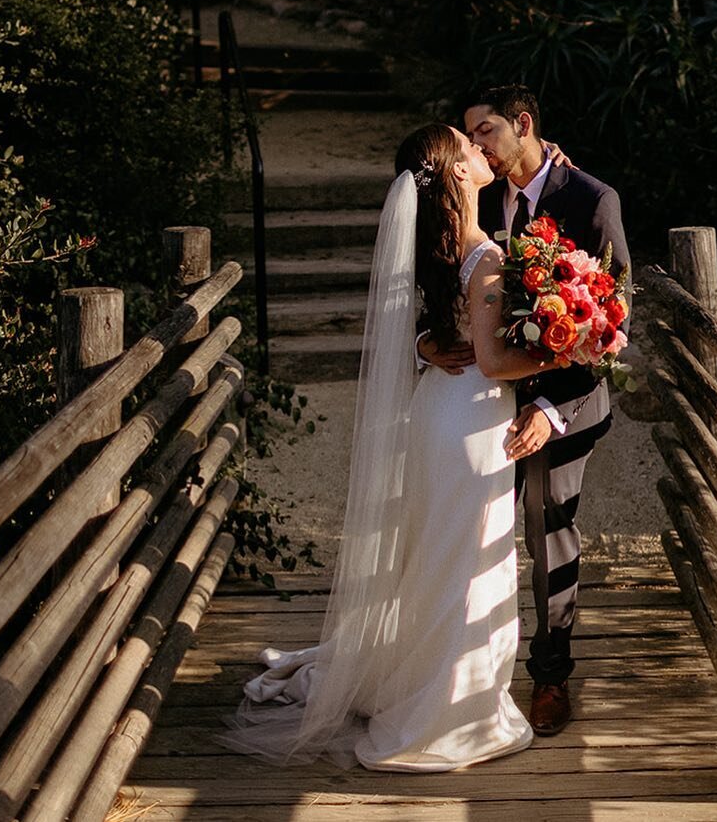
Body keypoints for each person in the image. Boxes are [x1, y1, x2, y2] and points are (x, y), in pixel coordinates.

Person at [221, 122, 551, 771]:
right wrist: (566, 347)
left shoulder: (439, 247)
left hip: (437, 407)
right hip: (471, 418)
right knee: (465, 566)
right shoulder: (482, 255)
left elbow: (429, 332)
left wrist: (431, 344)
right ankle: (451, 714)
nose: (481, 152)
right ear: (457, 174)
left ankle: (417, 680)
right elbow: (489, 359)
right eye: (469, 147)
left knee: (437, 553)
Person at [422, 84, 630, 738]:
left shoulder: (590, 199)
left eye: (484, 131)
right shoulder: (479, 195)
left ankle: (549, 676)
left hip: (565, 396)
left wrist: (545, 404)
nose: (475, 145)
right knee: (474, 526)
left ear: (522, 123)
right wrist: (427, 340)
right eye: (469, 137)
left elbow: (611, 323)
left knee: (546, 528)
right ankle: (458, 670)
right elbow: (430, 276)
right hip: (486, 397)